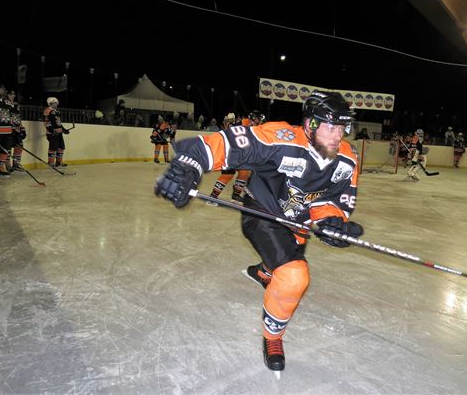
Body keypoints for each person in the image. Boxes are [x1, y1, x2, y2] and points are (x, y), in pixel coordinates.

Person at [154, 91, 363, 375]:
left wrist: (333, 223)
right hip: (262, 213)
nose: (338, 135)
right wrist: (189, 165)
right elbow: (230, 144)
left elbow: (331, 201)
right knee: (293, 276)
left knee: (283, 263)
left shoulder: (347, 159)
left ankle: (265, 271)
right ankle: (273, 337)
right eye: (330, 126)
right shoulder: (282, 138)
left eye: (342, 127)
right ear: (310, 124)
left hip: (297, 225)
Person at [204, 110, 266, 205]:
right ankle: (213, 197)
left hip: (242, 154)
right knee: (227, 175)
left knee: (244, 172)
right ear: (253, 119)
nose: (261, 123)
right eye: (259, 120)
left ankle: (236, 195)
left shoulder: (256, 128)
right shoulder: (239, 125)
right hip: (230, 152)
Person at [43, 97, 69, 167]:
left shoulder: (57, 111)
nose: (56, 104)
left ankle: (59, 162)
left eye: (56, 103)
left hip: (59, 133)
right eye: (54, 103)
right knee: (53, 148)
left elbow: (59, 123)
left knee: (61, 147)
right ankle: (51, 163)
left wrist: (64, 129)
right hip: (52, 133)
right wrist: (52, 131)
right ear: (50, 103)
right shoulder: (47, 110)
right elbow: (46, 123)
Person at [5, 90, 26, 172]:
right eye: (10, 94)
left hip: (17, 129)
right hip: (9, 129)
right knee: (8, 148)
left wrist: (22, 128)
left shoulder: (17, 105)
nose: (12, 96)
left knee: (19, 147)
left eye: (13, 94)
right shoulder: (4, 103)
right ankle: (8, 165)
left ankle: (16, 164)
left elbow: (18, 117)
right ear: (7, 95)